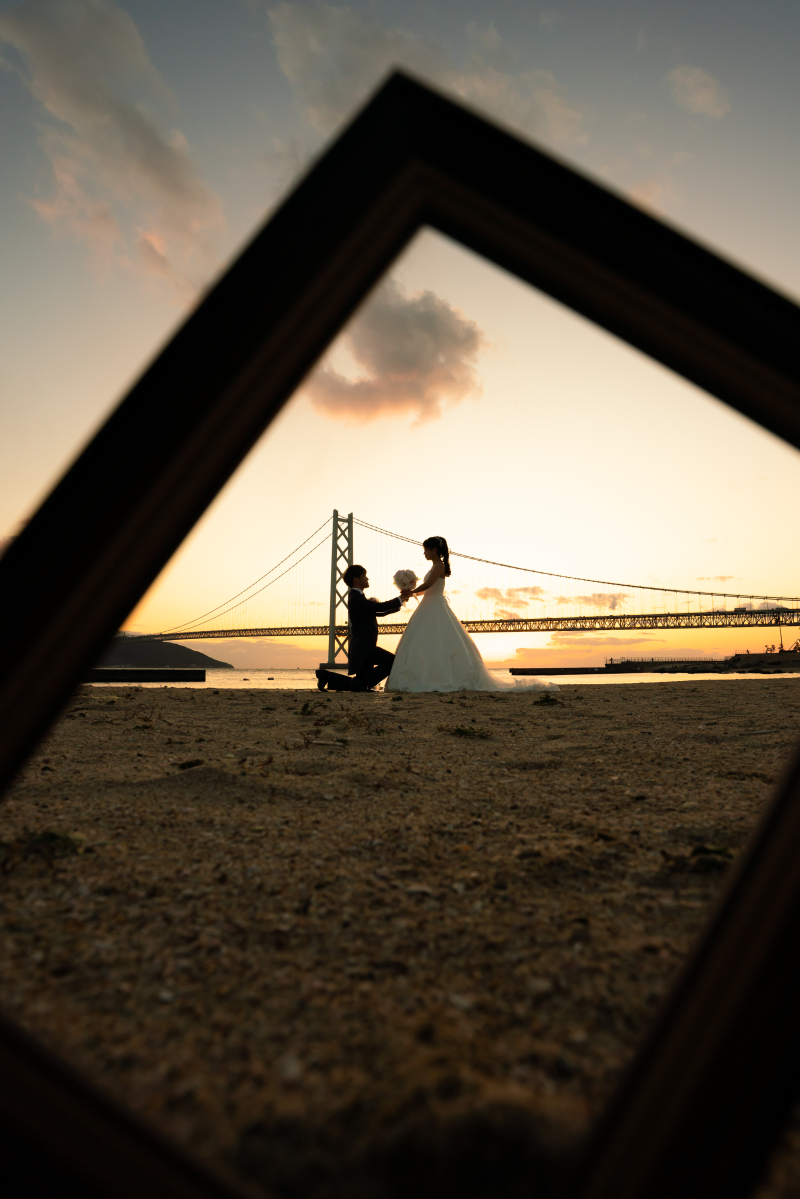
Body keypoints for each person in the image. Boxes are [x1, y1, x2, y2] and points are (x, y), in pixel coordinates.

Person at [385, 536, 558, 694]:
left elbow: (429, 584)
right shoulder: (434, 566)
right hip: (428, 604)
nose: (424, 553)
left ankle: (435, 678)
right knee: (424, 641)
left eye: (426, 550)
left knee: (436, 641)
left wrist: (411, 591)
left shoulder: (439, 566)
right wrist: (410, 593)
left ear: (434, 550)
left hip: (435, 606)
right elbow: (427, 589)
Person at [315, 564, 410, 692]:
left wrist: (400, 602)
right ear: (356, 579)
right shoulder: (355, 597)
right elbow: (379, 608)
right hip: (364, 646)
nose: (367, 579)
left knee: (359, 685)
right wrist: (400, 599)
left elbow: (379, 612)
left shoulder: (358, 597)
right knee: (392, 662)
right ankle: (330, 677)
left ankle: (326, 676)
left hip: (364, 646)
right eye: (364, 576)